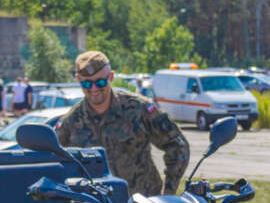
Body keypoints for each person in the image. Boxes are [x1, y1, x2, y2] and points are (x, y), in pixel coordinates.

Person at [57, 50, 189, 195]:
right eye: (87, 84)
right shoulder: (70, 122)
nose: (94, 89)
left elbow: (178, 145)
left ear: (111, 77)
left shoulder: (138, 109)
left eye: (100, 82)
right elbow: (54, 163)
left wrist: (169, 193)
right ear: (78, 80)